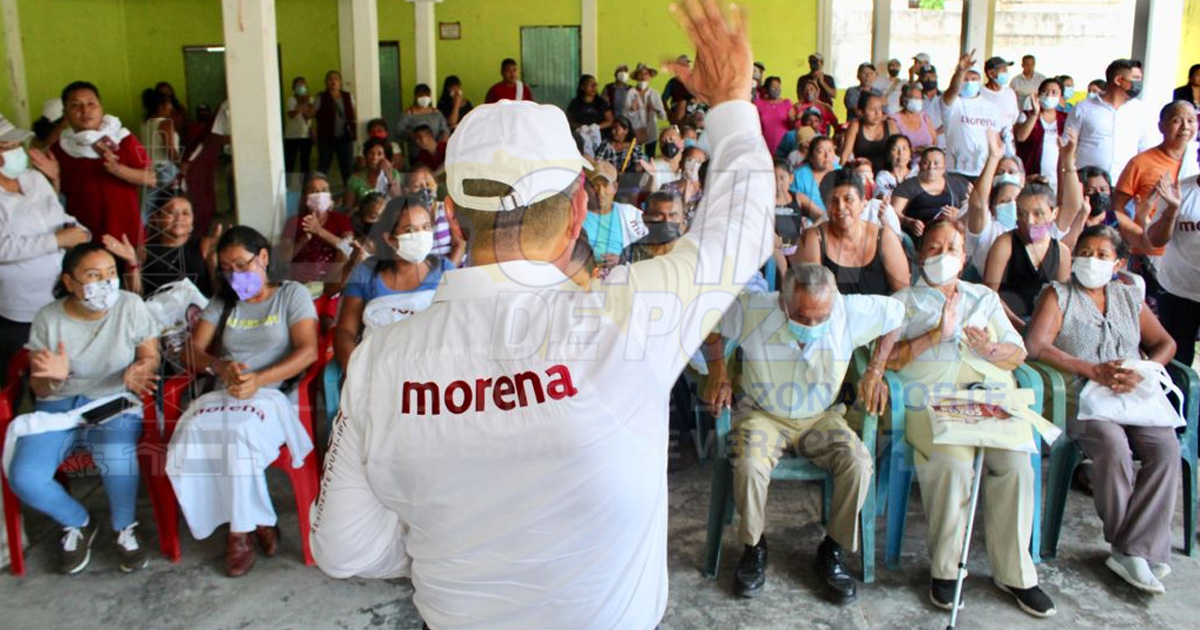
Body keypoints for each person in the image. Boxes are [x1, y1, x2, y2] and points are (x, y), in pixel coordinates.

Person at [310, 5, 773, 628]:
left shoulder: (379, 363)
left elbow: (342, 551)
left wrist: (454, 547)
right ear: (579, 210)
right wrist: (733, 103)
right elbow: (740, 231)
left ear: (450, 209)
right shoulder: (628, 318)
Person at [702, 263, 902, 602]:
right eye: (802, 317)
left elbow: (897, 314)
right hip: (763, 414)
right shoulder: (756, 309)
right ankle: (754, 548)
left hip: (820, 417)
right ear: (783, 303)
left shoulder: (847, 311)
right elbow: (710, 320)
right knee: (749, 464)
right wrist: (718, 371)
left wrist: (875, 369)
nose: (812, 325)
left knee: (858, 462)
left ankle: (832, 550)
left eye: (820, 318)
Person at [888, 218, 1056, 617]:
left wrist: (995, 352)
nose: (942, 255)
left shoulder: (982, 298)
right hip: (929, 401)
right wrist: (936, 335)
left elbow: (1018, 352)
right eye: (934, 246)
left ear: (963, 259)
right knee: (952, 464)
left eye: (951, 249)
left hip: (990, 399)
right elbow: (887, 360)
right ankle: (947, 570)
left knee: (1016, 465)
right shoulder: (902, 301)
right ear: (919, 253)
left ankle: (1014, 572)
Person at [1025, 224, 1179, 593]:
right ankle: (1130, 550)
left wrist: (1144, 371)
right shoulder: (1058, 295)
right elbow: (1036, 345)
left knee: (1166, 449)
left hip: (1133, 395)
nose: (1091, 260)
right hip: (1082, 396)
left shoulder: (1128, 296)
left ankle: (1132, 549)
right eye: (1086, 252)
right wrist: (1092, 370)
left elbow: (1165, 343)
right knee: (1112, 446)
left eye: (1102, 255)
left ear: (1118, 263)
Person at [169, 225, 319, 577]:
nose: (235, 274)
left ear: (263, 258)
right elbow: (192, 352)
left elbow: (308, 351)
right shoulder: (222, 302)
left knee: (237, 438)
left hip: (272, 394)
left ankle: (239, 535)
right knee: (189, 434)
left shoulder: (290, 295)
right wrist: (219, 365)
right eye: (226, 267)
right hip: (226, 391)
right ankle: (260, 519)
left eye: (242, 264)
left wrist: (259, 380)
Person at [12, 242, 160, 574]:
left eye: (111, 273)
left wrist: (141, 369)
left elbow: (150, 356)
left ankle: (124, 528)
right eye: (93, 275)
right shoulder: (48, 318)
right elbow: (39, 387)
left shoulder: (130, 305)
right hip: (58, 406)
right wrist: (52, 379)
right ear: (69, 282)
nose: (106, 283)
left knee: (117, 455)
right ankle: (77, 520)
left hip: (113, 400)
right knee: (25, 476)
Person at [0, 116, 91, 375]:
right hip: (21, 308)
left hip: (62, 294)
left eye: (17, 144)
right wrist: (56, 241)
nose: (17, 151)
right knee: (25, 372)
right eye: (7, 147)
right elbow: (3, 248)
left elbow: (60, 216)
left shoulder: (34, 179)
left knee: (65, 365)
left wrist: (78, 230)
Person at [334, 195, 461, 370]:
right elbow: (345, 332)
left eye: (425, 227)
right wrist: (356, 372)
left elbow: (459, 326)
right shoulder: (366, 273)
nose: (420, 236)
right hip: (380, 368)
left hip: (435, 370)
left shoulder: (444, 270)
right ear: (390, 238)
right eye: (409, 230)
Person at [52, 81, 154, 246]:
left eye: (91, 103)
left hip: (127, 235)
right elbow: (54, 197)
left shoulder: (123, 139)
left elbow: (151, 178)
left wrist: (117, 169)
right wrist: (53, 178)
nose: (85, 110)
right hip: (85, 238)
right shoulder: (60, 149)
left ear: (101, 108)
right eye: (75, 105)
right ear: (66, 113)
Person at [1112, 101, 1199, 290]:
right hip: (1150, 251)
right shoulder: (1141, 163)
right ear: (1161, 126)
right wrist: (1136, 236)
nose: (1185, 127)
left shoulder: (1196, 159)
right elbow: (1117, 209)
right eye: (1177, 120)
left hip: (1189, 255)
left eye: (1191, 121)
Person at [792, 170, 909, 295]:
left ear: (864, 202)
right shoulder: (813, 239)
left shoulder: (884, 237)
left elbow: (902, 294)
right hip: (830, 314)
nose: (841, 207)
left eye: (848, 199)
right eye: (833, 201)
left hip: (880, 313)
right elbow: (811, 296)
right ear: (825, 205)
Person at [983, 181, 1074, 328]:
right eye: (1022, 214)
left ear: (1054, 213)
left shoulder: (1062, 252)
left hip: (1044, 325)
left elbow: (1062, 301)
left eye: (1038, 214)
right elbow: (989, 293)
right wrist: (1020, 326)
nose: (1029, 221)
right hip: (1004, 320)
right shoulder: (1005, 244)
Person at [1066, 59, 1157, 180]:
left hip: (1125, 184)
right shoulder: (1083, 109)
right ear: (1118, 80)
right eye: (1135, 78)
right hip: (1087, 184)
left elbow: (1146, 151)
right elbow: (1066, 148)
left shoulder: (1141, 111)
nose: (1139, 83)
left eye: (1140, 78)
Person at [1148, 174, 1200, 365]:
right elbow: (1155, 240)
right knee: (1176, 361)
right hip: (1177, 291)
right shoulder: (1179, 191)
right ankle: (1174, 396)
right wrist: (1172, 210)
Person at [134, 195, 217, 298]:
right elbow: (136, 297)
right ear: (157, 218)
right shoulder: (144, 252)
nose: (179, 218)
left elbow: (218, 290)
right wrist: (131, 263)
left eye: (185, 213)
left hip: (200, 312)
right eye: (171, 213)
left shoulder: (204, 246)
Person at [280, 172, 353, 286]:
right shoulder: (293, 222)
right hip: (299, 283)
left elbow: (349, 248)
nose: (320, 195)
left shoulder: (341, 220)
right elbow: (284, 259)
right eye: (314, 191)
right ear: (305, 198)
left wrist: (319, 230)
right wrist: (303, 239)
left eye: (324, 190)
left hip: (330, 282)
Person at [941, 52, 1001, 178]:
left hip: (984, 171)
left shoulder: (991, 107)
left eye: (974, 79)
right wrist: (961, 71)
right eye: (965, 79)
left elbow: (995, 137)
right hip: (957, 171)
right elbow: (953, 90)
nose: (969, 83)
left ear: (979, 80)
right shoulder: (953, 104)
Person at [582, 160, 647, 275]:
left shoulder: (629, 214)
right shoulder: (577, 215)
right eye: (594, 186)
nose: (600, 192)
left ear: (615, 188)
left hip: (621, 278)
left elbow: (648, 249)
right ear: (586, 188)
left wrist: (621, 259)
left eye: (605, 185)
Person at [891, 147, 971, 238]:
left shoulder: (955, 184)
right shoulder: (907, 185)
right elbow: (893, 212)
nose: (931, 167)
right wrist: (909, 222)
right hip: (919, 236)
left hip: (950, 234)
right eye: (926, 163)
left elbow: (968, 210)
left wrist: (958, 214)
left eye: (936, 163)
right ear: (919, 165)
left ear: (944, 167)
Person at [1015, 78, 1069, 191]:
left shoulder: (1066, 119)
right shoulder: (1026, 115)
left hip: (1057, 179)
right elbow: (1020, 137)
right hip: (1030, 177)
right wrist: (1034, 114)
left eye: (1054, 92)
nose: (1049, 95)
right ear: (1038, 95)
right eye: (1045, 92)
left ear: (1061, 98)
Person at [314, 70, 356, 186]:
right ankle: (319, 189)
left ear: (340, 82)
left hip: (345, 137)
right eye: (330, 79)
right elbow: (312, 114)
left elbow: (354, 113)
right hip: (326, 137)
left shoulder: (348, 96)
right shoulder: (321, 97)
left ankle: (349, 193)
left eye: (336, 79)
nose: (333, 81)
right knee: (323, 166)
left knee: (347, 167)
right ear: (326, 82)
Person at [841, 93, 899, 174]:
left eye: (879, 109)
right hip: (861, 173)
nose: (877, 113)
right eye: (872, 109)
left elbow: (898, 153)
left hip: (887, 174)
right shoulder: (855, 125)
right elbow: (845, 154)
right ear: (861, 112)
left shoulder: (890, 125)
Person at [395, 84, 450, 163]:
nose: (424, 97)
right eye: (421, 95)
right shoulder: (408, 114)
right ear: (415, 97)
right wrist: (413, 135)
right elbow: (398, 132)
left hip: (435, 153)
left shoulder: (436, 113)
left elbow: (445, 129)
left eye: (427, 95)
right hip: (416, 154)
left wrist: (443, 138)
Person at [343, 138, 402, 210]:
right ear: (366, 156)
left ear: (386, 157)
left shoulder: (394, 174)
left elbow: (398, 199)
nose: (374, 157)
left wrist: (389, 176)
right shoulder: (355, 178)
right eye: (371, 153)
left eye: (379, 154)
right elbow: (347, 207)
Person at [625, 63, 667, 158]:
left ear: (650, 77)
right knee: (634, 157)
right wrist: (632, 109)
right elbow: (626, 115)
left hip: (651, 130)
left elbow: (663, 116)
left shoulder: (654, 94)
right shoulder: (631, 93)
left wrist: (655, 109)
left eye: (646, 74)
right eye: (640, 74)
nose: (643, 77)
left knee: (650, 156)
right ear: (636, 77)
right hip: (635, 130)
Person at [981, 56, 1020, 152]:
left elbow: (1013, 120)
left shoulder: (1010, 93)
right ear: (990, 74)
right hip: (985, 144)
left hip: (1006, 144)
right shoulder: (980, 93)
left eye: (1006, 70)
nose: (1006, 73)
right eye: (1003, 70)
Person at [663, 146, 708, 225]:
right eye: (690, 160)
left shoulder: (706, 192)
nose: (695, 165)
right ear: (681, 163)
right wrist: (683, 203)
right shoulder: (667, 188)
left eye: (700, 162)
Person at [892, 83, 938, 157]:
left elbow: (934, 141)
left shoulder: (925, 117)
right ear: (905, 100)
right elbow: (894, 146)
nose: (919, 101)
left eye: (920, 98)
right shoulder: (895, 119)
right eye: (915, 98)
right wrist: (916, 149)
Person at [284, 77, 315, 175]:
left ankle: (305, 184)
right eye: (298, 85)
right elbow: (291, 115)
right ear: (294, 87)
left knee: (305, 162)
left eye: (303, 85)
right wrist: (300, 104)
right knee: (289, 162)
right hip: (291, 136)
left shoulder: (311, 99)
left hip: (305, 135)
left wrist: (307, 103)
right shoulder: (291, 100)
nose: (301, 87)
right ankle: (287, 185)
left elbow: (310, 116)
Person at [638, 126, 684, 191]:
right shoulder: (654, 166)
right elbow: (645, 193)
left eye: (671, 139)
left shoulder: (689, 162)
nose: (668, 143)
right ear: (660, 147)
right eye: (663, 141)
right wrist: (652, 177)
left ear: (682, 143)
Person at [755, 76, 793, 155]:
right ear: (767, 89)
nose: (777, 89)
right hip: (764, 146)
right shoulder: (758, 103)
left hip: (784, 146)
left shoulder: (787, 103)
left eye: (778, 86)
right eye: (773, 87)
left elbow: (792, 123)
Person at [875, 134, 915, 200]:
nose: (901, 153)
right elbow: (879, 198)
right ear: (888, 156)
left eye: (904, 148)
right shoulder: (883, 177)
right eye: (895, 149)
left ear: (910, 155)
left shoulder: (917, 174)